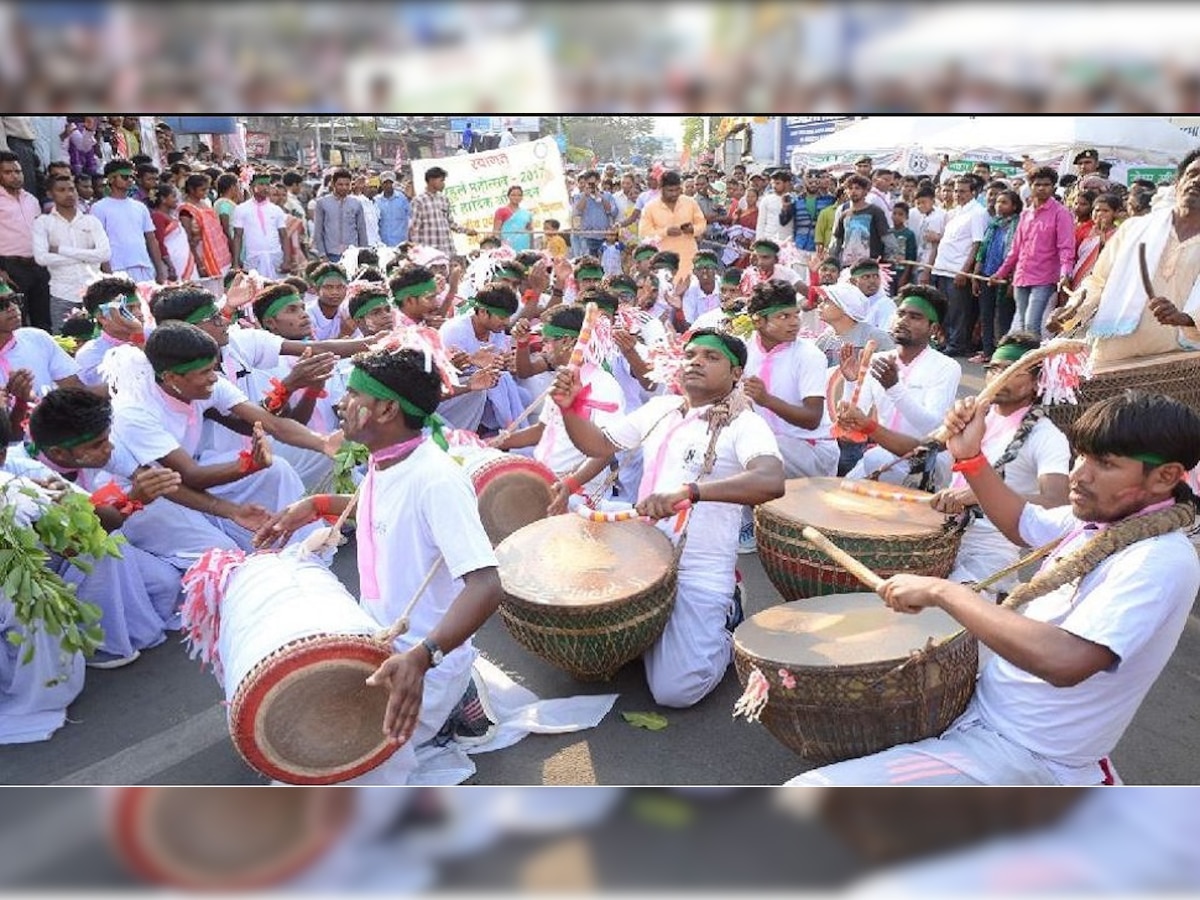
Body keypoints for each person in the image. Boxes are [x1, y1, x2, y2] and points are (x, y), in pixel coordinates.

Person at [789, 389, 1200, 786]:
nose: (1079, 475)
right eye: (1081, 457)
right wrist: (969, 457)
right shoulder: (1102, 524)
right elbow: (1022, 521)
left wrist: (945, 592)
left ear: (1165, 477)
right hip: (990, 715)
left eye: (1105, 464)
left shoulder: (1157, 559)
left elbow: (1066, 660)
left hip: (1022, 752)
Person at [254, 346, 505, 783]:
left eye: (353, 397)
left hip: (419, 664)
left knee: (326, 777)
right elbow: (384, 512)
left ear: (386, 409)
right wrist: (315, 505)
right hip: (378, 642)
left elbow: (486, 584)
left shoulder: (436, 479)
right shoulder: (391, 457)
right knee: (294, 738)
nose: (341, 405)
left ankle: (454, 694)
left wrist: (423, 657)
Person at [553, 328, 785, 708]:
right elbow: (597, 445)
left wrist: (691, 492)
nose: (695, 361)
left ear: (736, 373)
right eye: (691, 354)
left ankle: (729, 615)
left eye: (711, 357)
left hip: (699, 568)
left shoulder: (745, 424)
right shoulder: (661, 409)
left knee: (674, 693)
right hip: (644, 554)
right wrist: (569, 409)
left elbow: (771, 480)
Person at [929, 331, 1070, 594]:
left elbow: (1057, 503)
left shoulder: (1047, 436)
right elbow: (922, 450)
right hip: (944, 532)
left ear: (1037, 382)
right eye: (994, 369)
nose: (998, 377)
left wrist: (978, 495)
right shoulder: (972, 416)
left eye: (1011, 370)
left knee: (953, 603)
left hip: (993, 545)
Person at [1052, 149, 1200, 365]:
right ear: (1178, 182)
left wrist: (1187, 319)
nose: (1197, 181)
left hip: (1179, 363)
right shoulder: (1134, 229)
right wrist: (1072, 310)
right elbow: (1098, 281)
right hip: (1113, 355)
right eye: (1192, 174)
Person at [495, 305, 623, 508]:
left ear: (566, 341)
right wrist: (495, 443)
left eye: (547, 341)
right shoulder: (563, 379)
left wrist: (569, 486)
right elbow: (541, 430)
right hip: (545, 480)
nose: (544, 348)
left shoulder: (604, 385)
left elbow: (606, 450)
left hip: (577, 494)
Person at [839, 285, 962, 486]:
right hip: (883, 455)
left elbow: (933, 428)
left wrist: (894, 388)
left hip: (925, 461)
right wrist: (851, 382)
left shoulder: (947, 367)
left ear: (933, 329)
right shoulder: (879, 359)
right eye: (901, 313)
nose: (903, 320)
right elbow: (856, 415)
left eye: (915, 317)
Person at [742, 280, 837, 479]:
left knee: (744, 449)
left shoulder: (809, 356)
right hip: (770, 444)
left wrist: (767, 400)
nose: (794, 322)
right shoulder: (746, 350)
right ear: (758, 321)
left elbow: (812, 420)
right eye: (783, 316)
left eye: (796, 314)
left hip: (811, 449)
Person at [989, 166, 1074, 341]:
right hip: (1022, 276)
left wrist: (1065, 273)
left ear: (1053, 187)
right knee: (1021, 324)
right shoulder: (1026, 213)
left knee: (1032, 325)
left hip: (1044, 277)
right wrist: (1000, 273)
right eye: (1037, 184)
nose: (1042, 188)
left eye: (1046, 184)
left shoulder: (1061, 213)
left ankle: (1032, 366)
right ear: (1031, 186)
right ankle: (1024, 363)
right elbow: (1016, 249)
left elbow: (1066, 247)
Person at [31, 173, 111, 332]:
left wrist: (61, 250)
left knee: (101, 337)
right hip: (62, 293)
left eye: (71, 189)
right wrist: (86, 257)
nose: (68, 194)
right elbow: (41, 258)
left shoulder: (91, 221)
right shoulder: (43, 223)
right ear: (49, 193)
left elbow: (105, 254)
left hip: (93, 292)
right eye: (61, 190)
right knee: (65, 343)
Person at [90, 158, 169, 285]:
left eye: (131, 177)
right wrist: (108, 276)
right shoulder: (98, 208)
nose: (130, 180)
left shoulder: (140, 207)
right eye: (124, 177)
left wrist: (159, 270)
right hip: (117, 269)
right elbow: (98, 243)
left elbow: (151, 239)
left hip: (144, 268)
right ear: (111, 179)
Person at [0, 151, 54, 331]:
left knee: (43, 321)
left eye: (18, 171)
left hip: (38, 265)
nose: (15, 176)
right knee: (17, 322)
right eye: (8, 172)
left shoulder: (31, 199)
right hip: (11, 268)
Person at [972, 188, 1023, 362]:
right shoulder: (993, 224)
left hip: (1006, 278)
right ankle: (987, 352)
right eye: (998, 202)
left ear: (1014, 206)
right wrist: (976, 273)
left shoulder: (1019, 226)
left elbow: (1018, 255)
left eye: (1004, 202)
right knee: (986, 315)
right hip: (987, 274)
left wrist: (1012, 281)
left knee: (1003, 318)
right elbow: (982, 251)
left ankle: (1002, 356)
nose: (999, 205)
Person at [638, 171, 707, 283]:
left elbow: (702, 224)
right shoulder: (650, 208)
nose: (674, 194)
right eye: (670, 191)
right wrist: (665, 232)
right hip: (664, 261)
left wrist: (692, 230)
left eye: (677, 190)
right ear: (661, 189)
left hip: (688, 258)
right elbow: (643, 233)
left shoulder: (690, 203)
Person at [813, 282, 895, 368]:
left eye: (826, 301)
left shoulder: (877, 337)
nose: (820, 305)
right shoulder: (824, 340)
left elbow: (891, 371)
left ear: (845, 308)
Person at [408, 166, 476, 260]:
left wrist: (466, 231)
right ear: (431, 180)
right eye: (441, 181)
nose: (443, 184)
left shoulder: (444, 199)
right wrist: (418, 252)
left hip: (447, 249)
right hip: (429, 253)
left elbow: (450, 223)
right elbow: (413, 230)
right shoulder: (419, 201)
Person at [232, 173, 291, 279]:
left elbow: (284, 236)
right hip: (253, 258)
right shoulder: (241, 209)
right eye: (261, 184)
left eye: (267, 185)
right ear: (252, 187)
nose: (265, 188)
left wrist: (287, 260)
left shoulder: (276, 210)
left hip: (275, 258)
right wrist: (235, 263)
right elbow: (237, 236)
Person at [178, 173, 232, 280]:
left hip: (216, 251)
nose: (206, 192)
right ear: (191, 189)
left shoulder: (204, 203)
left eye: (207, 189)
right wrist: (199, 264)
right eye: (202, 190)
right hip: (199, 252)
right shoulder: (186, 210)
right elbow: (188, 239)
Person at [832, 175, 891, 272]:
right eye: (850, 188)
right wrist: (833, 259)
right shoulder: (844, 215)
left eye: (857, 188)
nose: (853, 191)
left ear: (865, 191)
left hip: (870, 265)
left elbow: (886, 237)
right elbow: (838, 241)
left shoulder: (875, 212)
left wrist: (892, 256)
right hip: (848, 266)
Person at [1068, 192, 1120, 293]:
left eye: (1105, 211)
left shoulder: (1119, 234)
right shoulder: (1084, 230)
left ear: (1116, 213)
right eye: (1097, 210)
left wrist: (1103, 240)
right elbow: (1073, 256)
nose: (1100, 214)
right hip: (1077, 278)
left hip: (1102, 283)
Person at [313, 169, 368, 262]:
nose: (344, 188)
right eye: (340, 184)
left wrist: (364, 254)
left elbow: (361, 230)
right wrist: (322, 254)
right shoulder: (322, 203)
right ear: (333, 184)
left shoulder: (356, 203)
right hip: (330, 254)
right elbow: (318, 231)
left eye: (347, 185)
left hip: (352, 254)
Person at [148, 185, 196, 282]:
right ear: (163, 199)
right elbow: (159, 242)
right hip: (172, 262)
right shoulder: (157, 217)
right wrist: (170, 265)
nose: (176, 200)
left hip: (183, 259)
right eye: (173, 196)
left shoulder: (172, 216)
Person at [847, 259, 896, 331]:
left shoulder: (885, 304)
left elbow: (885, 336)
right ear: (853, 281)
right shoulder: (846, 304)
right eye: (866, 277)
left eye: (876, 276)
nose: (872, 281)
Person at [756, 168, 795, 249]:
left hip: (788, 242)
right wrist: (759, 241)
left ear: (786, 183)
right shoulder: (766, 200)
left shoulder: (794, 199)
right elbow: (761, 223)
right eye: (773, 183)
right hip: (769, 241)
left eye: (778, 183)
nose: (774, 186)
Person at [493, 185, 532, 252]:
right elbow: (496, 232)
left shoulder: (527, 213)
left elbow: (530, 232)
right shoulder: (501, 211)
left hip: (524, 246)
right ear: (508, 196)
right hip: (507, 247)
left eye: (519, 195)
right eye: (513, 195)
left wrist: (531, 248)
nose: (516, 197)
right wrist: (498, 248)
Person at [376, 172, 411, 247]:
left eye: (390, 183)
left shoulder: (403, 199)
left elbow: (411, 216)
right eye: (385, 183)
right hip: (382, 244)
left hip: (400, 243)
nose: (388, 185)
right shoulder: (376, 201)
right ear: (381, 184)